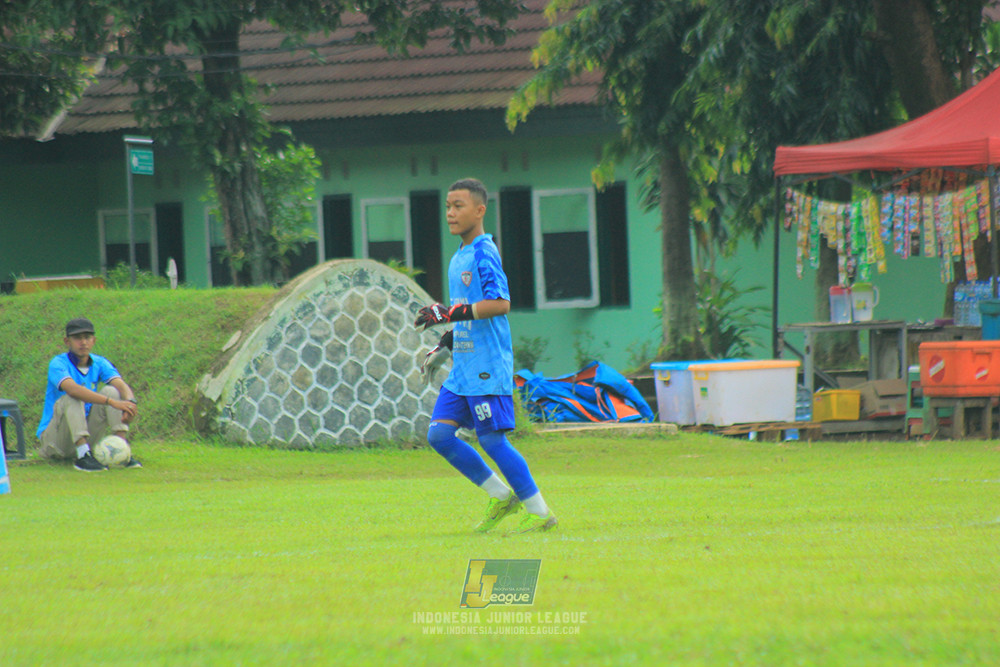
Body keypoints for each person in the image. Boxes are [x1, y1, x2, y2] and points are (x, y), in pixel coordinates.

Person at [415, 178, 557, 534]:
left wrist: (447, 313)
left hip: (486, 368)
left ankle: (539, 511)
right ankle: (501, 496)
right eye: (448, 206)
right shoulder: (459, 256)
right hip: (463, 367)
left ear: (480, 211)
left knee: (492, 439)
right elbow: (466, 314)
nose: (450, 213)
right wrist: (443, 346)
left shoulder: (483, 252)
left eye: (458, 206)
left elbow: (500, 304)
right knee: (439, 436)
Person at [37, 317, 140, 472]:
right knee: (73, 397)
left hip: (86, 433)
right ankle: (83, 456)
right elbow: (73, 389)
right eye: (77, 338)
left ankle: (121, 451)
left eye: (87, 337)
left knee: (112, 391)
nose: (83, 342)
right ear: (67, 341)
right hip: (56, 441)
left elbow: (121, 385)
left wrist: (130, 403)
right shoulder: (58, 363)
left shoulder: (99, 362)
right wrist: (112, 403)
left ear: (94, 340)